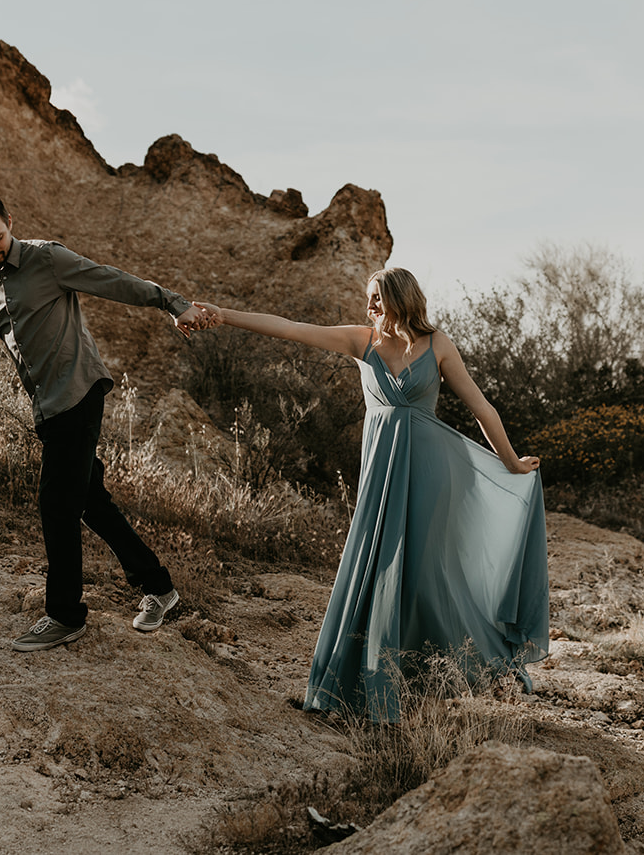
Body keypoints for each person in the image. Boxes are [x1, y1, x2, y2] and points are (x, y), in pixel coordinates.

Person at [194, 267, 548, 719]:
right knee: (376, 567)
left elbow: (480, 407)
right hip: (381, 475)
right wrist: (223, 315)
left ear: (402, 297)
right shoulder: (362, 341)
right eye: (368, 298)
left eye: (377, 297)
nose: (370, 306)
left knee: (428, 574)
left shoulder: (437, 344)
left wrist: (512, 462)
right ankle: (369, 683)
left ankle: (449, 670)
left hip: (430, 476)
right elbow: (288, 328)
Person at [0, 194, 209, 651]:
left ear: (10, 224)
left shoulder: (47, 258)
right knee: (88, 501)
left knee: (55, 504)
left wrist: (172, 303)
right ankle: (158, 587)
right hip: (47, 406)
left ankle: (65, 615)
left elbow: (112, 281)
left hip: (79, 391)